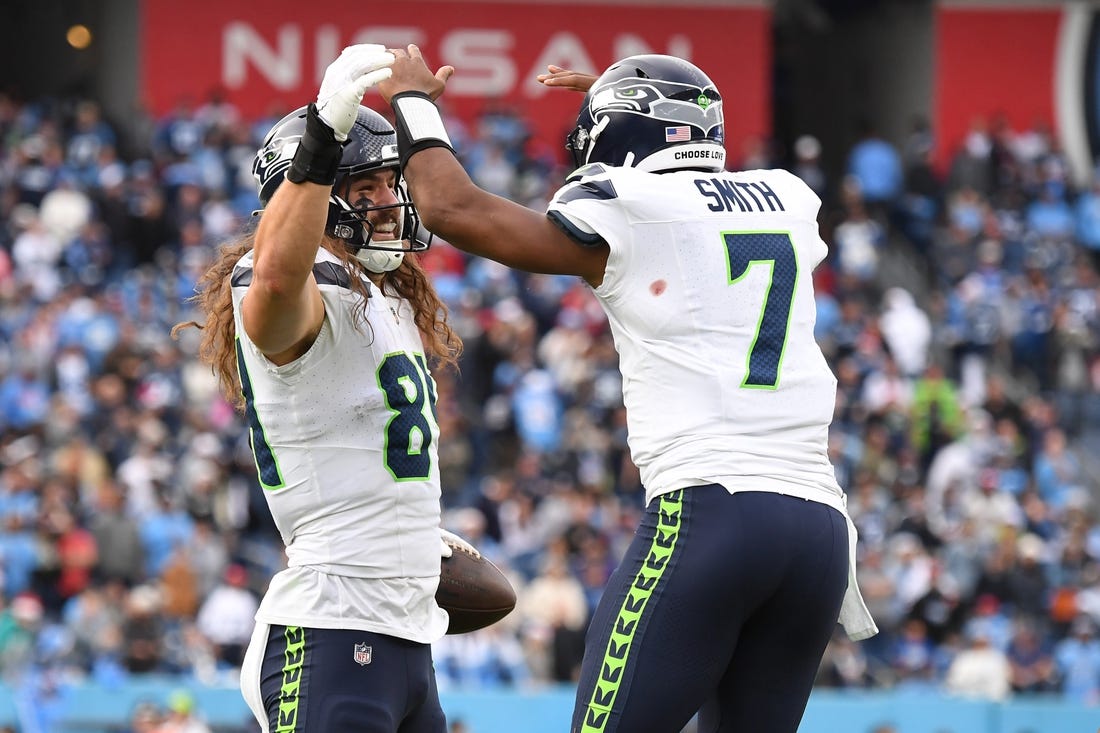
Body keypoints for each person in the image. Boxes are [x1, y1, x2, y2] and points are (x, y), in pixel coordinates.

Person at [376, 47, 878, 733]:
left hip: (714, 512)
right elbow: (694, 180)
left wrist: (412, 103)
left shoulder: (633, 205)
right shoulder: (787, 197)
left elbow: (451, 207)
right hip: (818, 531)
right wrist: (627, 106)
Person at [172, 44, 472, 732]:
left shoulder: (385, 293)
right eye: (363, 188)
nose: (389, 202)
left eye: (390, 183)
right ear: (314, 197)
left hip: (405, 635)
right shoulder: (299, 288)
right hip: (332, 630)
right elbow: (279, 277)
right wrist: (322, 137)